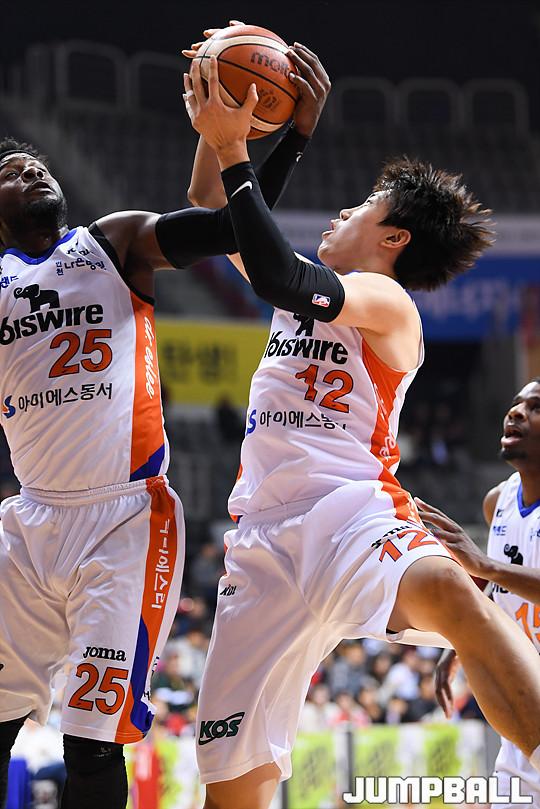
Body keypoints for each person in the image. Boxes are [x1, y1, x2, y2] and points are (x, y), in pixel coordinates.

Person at [183, 52, 540, 809]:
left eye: (358, 208)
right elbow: (214, 206)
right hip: (262, 543)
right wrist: (239, 129)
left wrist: (239, 146)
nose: (338, 214)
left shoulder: (387, 303)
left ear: (395, 239)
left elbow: (277, 271)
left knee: (450, 591)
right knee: (230, 787)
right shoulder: (305, 291)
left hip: (350, 514)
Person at [0, 37, 328, 809]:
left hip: (122, 520)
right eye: (12, 172)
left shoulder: (113, 241)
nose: (33, 171)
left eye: (38, 165)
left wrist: (288, 138)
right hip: (28, 522)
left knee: (90, 740)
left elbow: (228, 231)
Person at [419, 377, 540, 808]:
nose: (516, 412)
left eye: (536, 407)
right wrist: (462, 643)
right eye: (516, 403)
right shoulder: (498, 501)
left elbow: (491, 572)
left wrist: (484, 566)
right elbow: (498, 588)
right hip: (523, 694)